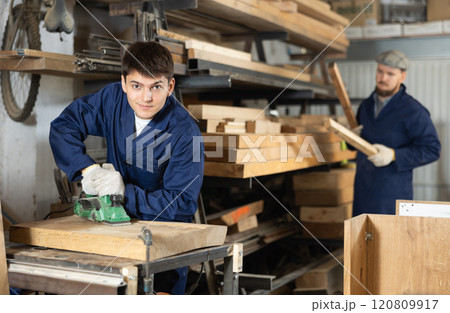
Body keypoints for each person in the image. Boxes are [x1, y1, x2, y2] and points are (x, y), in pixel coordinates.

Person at [49, 41, 204, 294]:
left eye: (156, 86)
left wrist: (124, 194)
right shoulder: (112, 99)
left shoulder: (187, 133)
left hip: (162, 247)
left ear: (170, 86)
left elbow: (183, 202)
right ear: (123, 83)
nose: (146, 97)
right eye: (136, 86)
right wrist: (88, 170)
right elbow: (63, 126)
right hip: (111, 235)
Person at [353, 50, 441, 216]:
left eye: (390, 74)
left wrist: (394, 155)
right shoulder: (365, 106)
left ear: (402, 77)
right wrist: (350, 139)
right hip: (363, 191)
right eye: (380, 71)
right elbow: (357, 147)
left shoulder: (413, 111)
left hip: (392, 195)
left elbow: (432, 149)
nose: (383, 78)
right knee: (362, 239)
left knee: (389, 240)